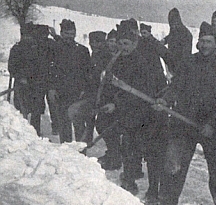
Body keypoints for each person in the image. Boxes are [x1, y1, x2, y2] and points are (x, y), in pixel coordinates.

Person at [153, 21, 216, 205]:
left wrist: (212, 124)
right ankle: (167, 203)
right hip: (184, 121)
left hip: (212, 125)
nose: (204, 45)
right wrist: (165, 99)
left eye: (209, 41)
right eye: (202, 41)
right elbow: (175, 86)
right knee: (174, 162)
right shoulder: (189, 62)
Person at [108, 19, 157, 195]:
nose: (123, 47)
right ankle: (129, 179)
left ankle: (135, 178)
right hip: (126, 111)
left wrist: (118, 102)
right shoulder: (118, 61)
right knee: (129, 146)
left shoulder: (141, 63)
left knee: (137, 146)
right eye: (120, 44)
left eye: (127, 44)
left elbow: (144, 90)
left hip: (141, 111)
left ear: (134, 43)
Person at [138, 22, 172, 205]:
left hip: (156, 105)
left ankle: (156, 190)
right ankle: (152, 188)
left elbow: (169, 58)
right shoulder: (128, 53)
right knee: (147, 150)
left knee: (156, 151)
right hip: (138, 108)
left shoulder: (151, 47)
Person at [48, 19, 91, 143]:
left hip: (78, 93)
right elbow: (49, 71)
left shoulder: (83, 50)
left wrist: (85, 90)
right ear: (61, 33)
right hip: (60, 92)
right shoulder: (54, 49)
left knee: (79, 123)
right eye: (66, 34)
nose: (69, 37)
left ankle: (81, 151)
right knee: (63, 122)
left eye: (72, 34)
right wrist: (51, 88)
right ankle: (66, 148)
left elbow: (87, 73)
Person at [8, 22, 48, 136]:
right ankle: (23, 134)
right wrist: (20, 77)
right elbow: (12, 67)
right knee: (21, 109)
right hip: (22, 85)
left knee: (36, 111)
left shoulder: (38, 49)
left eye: (30, 35)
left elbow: (43, 65)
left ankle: (36, 133)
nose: (28, 38)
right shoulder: (16, 49)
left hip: (36, 85)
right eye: (26, 35)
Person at [95, 29, 122, 171]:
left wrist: (116, 102)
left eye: (115, 42)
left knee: (110, 126)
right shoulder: (105, 57)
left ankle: (115, 157)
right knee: (101, 124)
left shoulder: (122, 58)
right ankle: (113, 152)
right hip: (107, 98)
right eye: (110, 41)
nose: (113, 44)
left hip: (120, 101)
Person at [161, 8, 192, 75]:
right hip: (172, 64)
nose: (172, 25)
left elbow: (186, 56)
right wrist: (164, 40)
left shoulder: (186, 34)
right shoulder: (174, 29)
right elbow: (171, 36)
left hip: (180, 68)